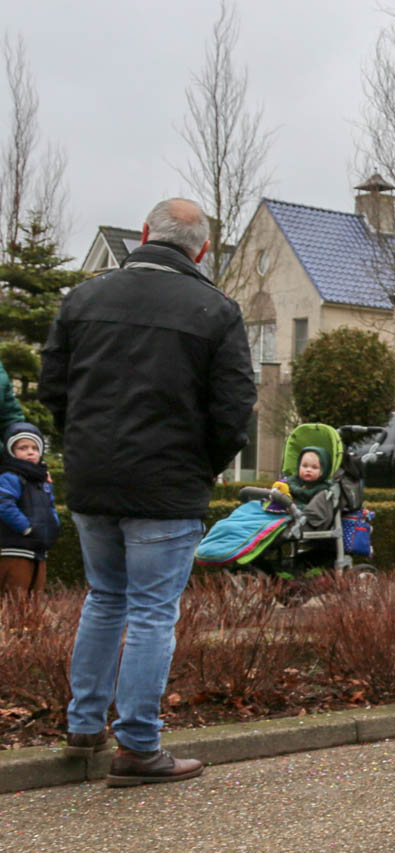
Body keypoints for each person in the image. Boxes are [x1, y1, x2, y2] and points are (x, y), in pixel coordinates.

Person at [40, 198, 254, 784]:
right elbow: (234, 408)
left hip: (94, 478)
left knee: (104, 598)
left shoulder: (83, 299)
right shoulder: (215, 310)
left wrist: (82, 448)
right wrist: (203, 468)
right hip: (167, 484)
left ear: (142, 234)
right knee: (153, 613)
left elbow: (54, 389)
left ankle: (84, 726)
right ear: (202, 250)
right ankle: (137, 746)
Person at [0, 422, 58, 597]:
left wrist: (54, 526)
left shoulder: (42, 480)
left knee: (34, 601)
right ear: (11, 451)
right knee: (13, 599)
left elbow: (51, 506)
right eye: (23, 448)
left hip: (38, 550)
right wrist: (26, 527)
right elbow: (3, 504)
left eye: (34, 448)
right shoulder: (10, 477)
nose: (30, 452)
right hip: (15, 549)